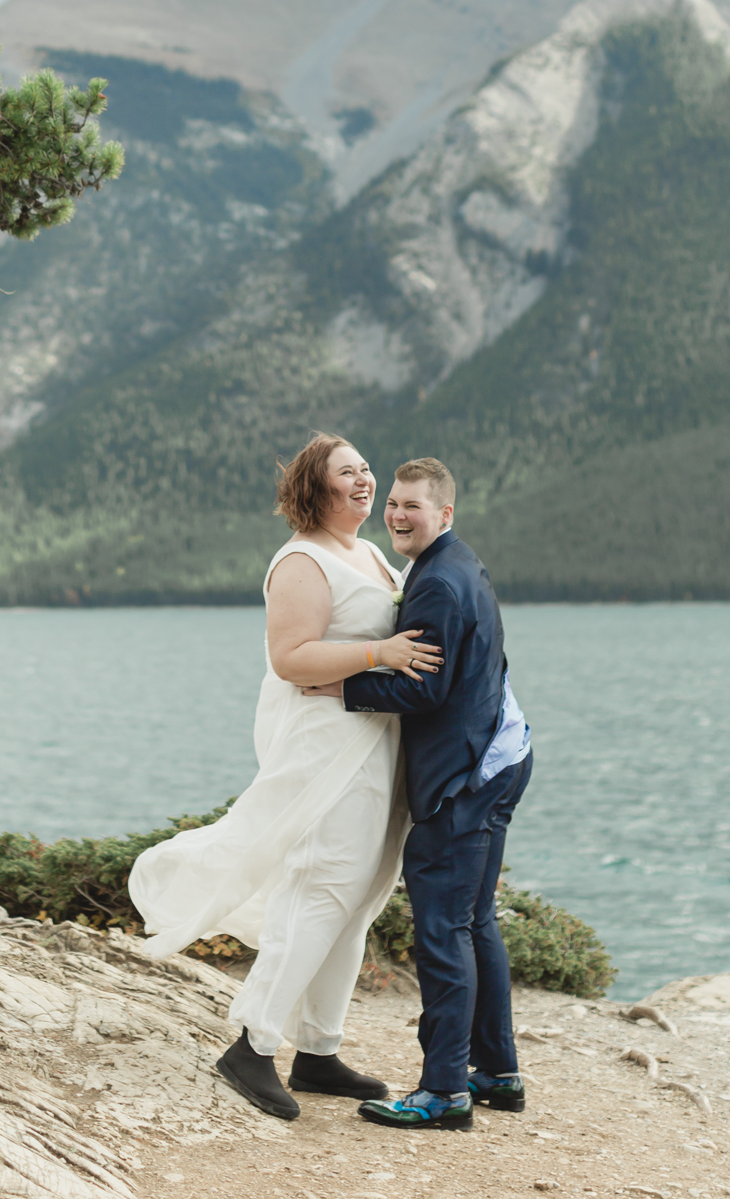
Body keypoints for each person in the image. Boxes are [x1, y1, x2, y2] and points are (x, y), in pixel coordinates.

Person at [127, 433, 441, 1120]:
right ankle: (253, 1045)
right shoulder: (300, 559)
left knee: (360, 897)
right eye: (345, 474)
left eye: (366, 470)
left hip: (377, 744)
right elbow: (291, 659)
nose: (363, 482)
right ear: (313, 488)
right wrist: (379, 652)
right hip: (327, 747)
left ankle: (320, 1051)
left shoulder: (369, 554)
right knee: (321, 888)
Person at [312, 456, 533, 1132]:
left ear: (445, 513)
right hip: (504, 753)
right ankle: (495, 1072)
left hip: (465, 774)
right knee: (475, 922)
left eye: (414, 505)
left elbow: (424, 687)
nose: (399, 515)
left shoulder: (436, 584)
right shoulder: (457, 563)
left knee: (442, 929)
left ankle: (444, 1092)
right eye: (394, 504)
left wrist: (339, 685)